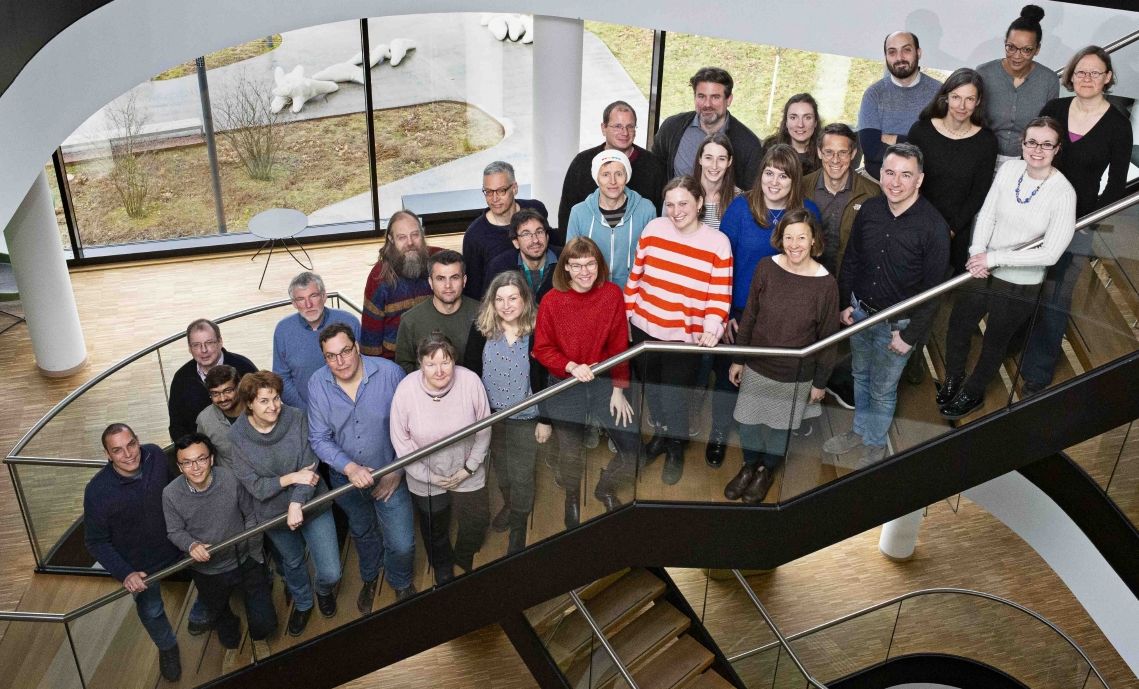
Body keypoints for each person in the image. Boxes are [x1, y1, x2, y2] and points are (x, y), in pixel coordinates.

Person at [937, 117, 1076, 419]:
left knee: (994, 342)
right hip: (983, 269)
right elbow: (987, 214)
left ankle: (973, 392)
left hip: (1019, 282)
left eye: (1046, 144)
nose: (1037, 149)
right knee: (959, 326)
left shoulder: (1063, 193)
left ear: (1057, 149)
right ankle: (953, 378)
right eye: (1031, 142)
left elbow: (1050, 254)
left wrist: (995, 258)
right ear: (1022, 144)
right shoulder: (1011, 169)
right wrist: (977, 252)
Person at [822, 144, 949, 467]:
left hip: (898, 327)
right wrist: (844, 303)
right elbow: (851, 259)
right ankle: (860, 430)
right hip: (861, 314)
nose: (896, 182)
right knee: (860, 376)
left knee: (882, 389)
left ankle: (874, 445)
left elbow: (933, 291)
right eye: (890, 173)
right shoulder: (870, 210)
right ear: (880, 174)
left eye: (906, 175)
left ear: (919, 180)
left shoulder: (933, 227)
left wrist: (910, 336)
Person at [1022, 46, 1133, 395]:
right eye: (1081, 72)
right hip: (1032, 214)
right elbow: (1031, 154)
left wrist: (1083, 222)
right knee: (1020, 288)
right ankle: (1011, 346)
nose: (1087, 79)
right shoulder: (1054, 110)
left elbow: (1115, 185)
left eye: (1095, 73)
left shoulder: (1117, 125)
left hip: (1076, 224)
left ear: (1108, 77)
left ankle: (1036, 374)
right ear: (1071, 76)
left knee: (1056, 297)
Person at [710, 145, 821, 465]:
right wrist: (726, 313)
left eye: (783, 175)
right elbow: (722, 263)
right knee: (728, 379)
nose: (774, 181)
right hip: (740, 313)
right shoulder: (740, 208)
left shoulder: (808, 211)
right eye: (768, 173)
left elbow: (813, 267)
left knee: (771, 384)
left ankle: (765, 453)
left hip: (784, 320)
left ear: (794, 180)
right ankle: (718, 433)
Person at [724, 210, 839, 503]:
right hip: (758, 365)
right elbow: (749, 316)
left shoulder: (826, 285)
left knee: (780, 429)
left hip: (796, 374)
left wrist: (820, 382)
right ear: (780, 238)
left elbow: (828, 339)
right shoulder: (766, 267)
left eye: (802, 237)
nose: (795, 244)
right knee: (747, 423)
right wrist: (738, 358)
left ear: (814, 240)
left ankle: (766, 470)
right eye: (789, 237)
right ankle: (749, 466)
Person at [625, 176, 733, 484]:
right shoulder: (653, 229)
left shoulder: (717, 243)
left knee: (676, 399)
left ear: (699, 203)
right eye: (670, 204)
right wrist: (627, 316)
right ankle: (660, 434)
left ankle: (675, 447)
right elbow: (636, 276)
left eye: (683, 203)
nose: (676, 211)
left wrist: (713, 327)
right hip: (644, 331)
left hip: (684, 338)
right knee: (654, 393)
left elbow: (719, 293)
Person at [308, 323, 416, 612]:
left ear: (356, 347)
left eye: (345, 351)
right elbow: (319, 438)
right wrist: (350, 467)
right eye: (331, 356)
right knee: (363, 532)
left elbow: (412, 426)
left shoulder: (390, 374)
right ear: (324, 358)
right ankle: (371, 577)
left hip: (389, 474)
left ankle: (400, 580)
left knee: (402, 542)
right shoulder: (317, 383)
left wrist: (397, 470)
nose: (340, 361)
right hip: (345, 481)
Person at [533, 237, 638, 527]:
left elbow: (619, 346)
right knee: (570, 454)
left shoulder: (612, 295)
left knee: (631, 449)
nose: (584, 271)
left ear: (599, 264)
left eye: (590, 263)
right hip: (565, 384)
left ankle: (605, 487)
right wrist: (570, 366)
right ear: (565, 267)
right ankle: (571, 495)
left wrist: (619, 390)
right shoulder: (552, 301)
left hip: (603, 380)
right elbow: (542, 349)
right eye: (576, 265)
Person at [229, 370, 342, 637]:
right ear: (249, 404)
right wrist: (290, 477)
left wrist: (295, 503)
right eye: (265, 401)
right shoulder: (237, 436)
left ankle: (323, 590)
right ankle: (303, 604)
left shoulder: (297, 417)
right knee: (292, 564)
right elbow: (255, 486)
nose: (274, 406)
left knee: (332, 571)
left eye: (276, 398)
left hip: (312, 504)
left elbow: (311, 466)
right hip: (273, 515)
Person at [163, 434, 277, 667]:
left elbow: (251, 516)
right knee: (220, 616)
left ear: (212, 459)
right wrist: (191, 545)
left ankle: (259, 637)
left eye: (201, 459)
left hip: (244, 559)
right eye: (187, 462)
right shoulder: (171, 494)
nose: (195, 467)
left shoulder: (230, 479)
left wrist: (253, 551)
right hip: (207, 571)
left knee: (264, 617)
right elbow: (174, 531)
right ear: (179, 466)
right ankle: (233, 645)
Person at [83, 423, 184, 682]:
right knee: (152, 610)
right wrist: (125, 573)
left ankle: (204, 612)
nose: (128, 454)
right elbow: (96, 542)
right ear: (108, 455)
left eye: (131, 445)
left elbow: (177, 492)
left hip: (180, 545)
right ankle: (168, 647)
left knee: (210, 581)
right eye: (117, 450)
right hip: (140, 567)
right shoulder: (97, 492)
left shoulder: (156, 456)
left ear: (138, 441)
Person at [390, 333, 491, 584]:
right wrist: (431, 477)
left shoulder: (470, 381)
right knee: (435, 525)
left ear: (454, 361)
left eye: (445, 362)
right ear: (420, 364)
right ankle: (442, 564)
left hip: (467, 468)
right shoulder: (406, 390)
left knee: (477, 519)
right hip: (425, 474)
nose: (439, 370)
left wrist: (468, 468)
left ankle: (464, 553)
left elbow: (484, 428)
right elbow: (402, 443)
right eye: (430, 363)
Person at [463, 271, 550, 553]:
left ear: (525, 299)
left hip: (527, 417)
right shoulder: (481, 329)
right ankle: (511, 504)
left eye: (513, 298)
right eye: (499, 299)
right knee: (502, 471)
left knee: (523, 472)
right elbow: (471, 374)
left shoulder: (538, 329)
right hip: (493, 418)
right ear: (492, 301)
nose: (506, 305)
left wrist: (545, 420)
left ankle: (520, 520)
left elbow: (546, 378)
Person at [802, 123, 882, 412]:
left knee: (844, 341)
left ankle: (832, 384)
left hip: (849, 282)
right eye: (829, 152)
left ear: (854, 155)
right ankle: (805, 402)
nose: (836, 160)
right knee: (806, 340)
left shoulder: (872, 193)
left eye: (843, 153)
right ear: (820, 153)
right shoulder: (803, 185)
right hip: (809, 281)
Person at [907, 68, 999, 272]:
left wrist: (951, 229)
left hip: (956, 229)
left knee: (942, 290)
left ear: (978, 102)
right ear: (946, 97)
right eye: (956, 97)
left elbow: (979, 192)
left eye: (969, 99)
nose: (962, 105)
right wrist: (922, 223)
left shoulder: (986, 141)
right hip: (915, 221)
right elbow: (909, 181)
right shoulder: (921, 131)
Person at [558, 100, 666, 231]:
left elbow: (660, 215)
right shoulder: (582, 162)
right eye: (617, 126)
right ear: (603, 128)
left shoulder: (653, 165)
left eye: (630, 126)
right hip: (589, 247)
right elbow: (566, 214)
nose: (625, 132)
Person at [975, 5, 1059, 166]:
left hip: (1027, 162)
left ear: (1037, 49)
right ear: (1005, 43)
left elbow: (1048, 129)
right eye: (1011, 47)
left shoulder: (1049, 80)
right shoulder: (984, 73)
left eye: (1026, 50)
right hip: (982, 157)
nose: (1017, 56)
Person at [653, 67, 763, 189]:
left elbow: (751, 194)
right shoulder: (672, 128)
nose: (707, 104)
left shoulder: (748, 144)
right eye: (701, 96)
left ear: (729, 100)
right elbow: (654, 174)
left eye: (715, 97)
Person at [566, 149, 657, 288]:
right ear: (597, 178)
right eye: (606, 174)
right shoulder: (579, 212)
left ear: (626, 177)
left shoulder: (646, 210)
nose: (613, 181)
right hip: (592, 292)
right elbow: (571, 259)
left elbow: (652, 259)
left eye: (619, 174)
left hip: (634, 292)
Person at [857, 31, 942, 180]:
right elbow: (872, 150)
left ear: (918, 53)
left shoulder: (939, 93)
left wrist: (893, 139)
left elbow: (937, 149)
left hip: (920, 184)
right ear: (886, 57)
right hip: (876, 180)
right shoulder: (874, 94)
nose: (899, 58)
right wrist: (916, 143)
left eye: (906, 50)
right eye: (892, 52)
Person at [360, 209, 443, 359]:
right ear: (391, 239)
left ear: (422, 234)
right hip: (396, 360)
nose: (410, 243)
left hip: (438, 355)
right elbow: (370, 337)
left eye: (415, 235)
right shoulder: (379, 277)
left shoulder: (439, 262)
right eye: (402, 237)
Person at [273, 271, 360, 409]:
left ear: (324, 296)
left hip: (351, 407)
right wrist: (308, 411)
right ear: (294, 303)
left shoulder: (350, 322)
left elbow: (363, 366)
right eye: (301, 299)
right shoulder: (283, 330)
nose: (308, 305)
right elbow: (281, 378)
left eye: (313, 296)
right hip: (305, 412)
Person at [462, 161, 549, 300]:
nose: (494, 199)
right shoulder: (475, 236)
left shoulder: (536, 209)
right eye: (488, 192)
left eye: (501, 190)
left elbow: (552, 251)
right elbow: (473, 292)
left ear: (514, 188)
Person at [167, 318, 256, 442]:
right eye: (196, 345)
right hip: (202, 454)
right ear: (189, 348)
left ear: (220, 342)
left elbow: (261, 407)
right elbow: (177, 426)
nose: (203, 350)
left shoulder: (244, 368)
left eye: (209, 342)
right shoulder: (181, 379)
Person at [394, 250, 479, 373]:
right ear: (430, 282)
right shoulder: (410, 320)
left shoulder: (483, 314)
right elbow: (404, 366)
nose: (448, 285)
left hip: (473, 389)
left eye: (454, 278)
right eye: (440, 279)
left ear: (464, 280)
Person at [484, 209, 562, 303]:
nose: (535, 240)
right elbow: (489, 307)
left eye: (539, 232)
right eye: (526, 234)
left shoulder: (565, 259)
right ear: (516, 242)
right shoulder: (499, 267)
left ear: (547, 237)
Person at [195, 364, 244, 469]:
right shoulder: (205, 420)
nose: (222, 399)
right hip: (231, 480)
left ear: (239, 387)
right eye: (215, 394)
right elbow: (203, 457)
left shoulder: (258, 408)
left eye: (228, 391)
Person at [763, 93, 823, 175]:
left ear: (815, 122)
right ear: (786, 122)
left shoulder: (825, 153)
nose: (800, 124)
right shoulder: (770, 149)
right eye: (793, 117)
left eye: (807, 117)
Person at [696, 132, 743, 230]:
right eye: (708, 158)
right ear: (700, 159)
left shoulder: (739, 199)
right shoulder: (684, 193)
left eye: (721, 159)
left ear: (729, 162)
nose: (714, 166)